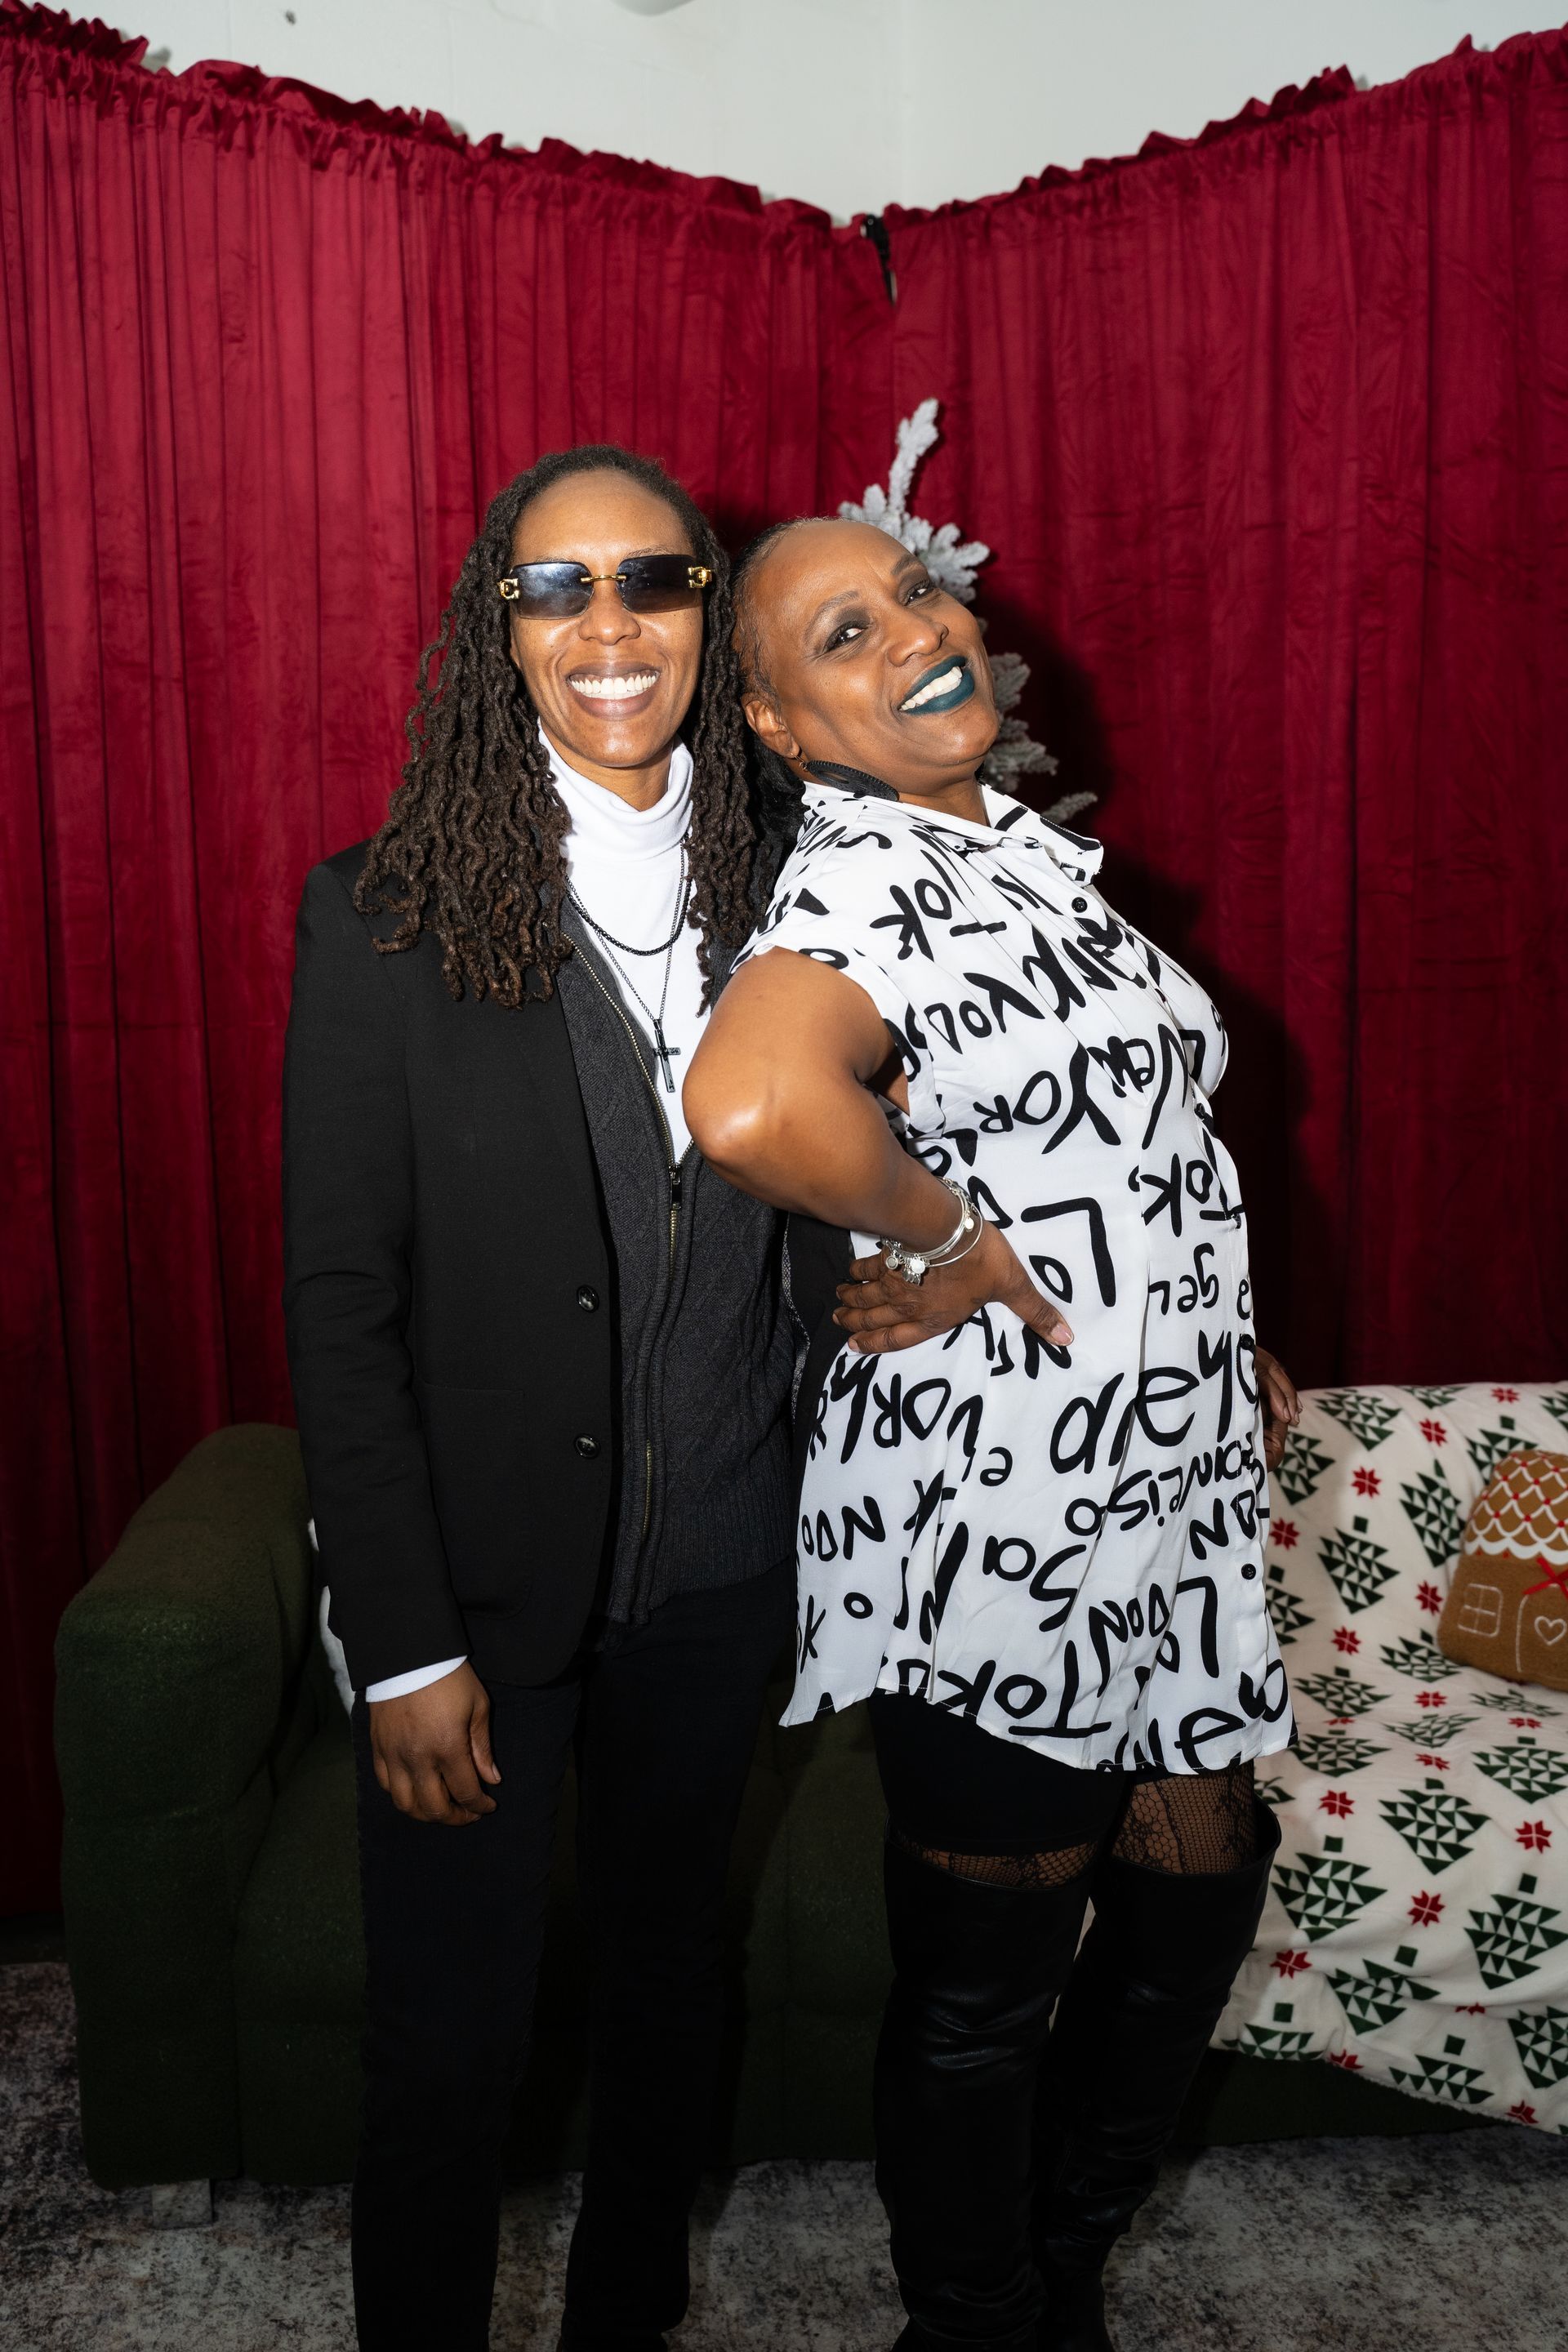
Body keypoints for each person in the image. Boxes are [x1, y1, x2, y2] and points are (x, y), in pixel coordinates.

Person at [283, 448, 893, 2352]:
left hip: (717, 1576)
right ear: (503, 629)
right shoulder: (380, 915)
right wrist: (398, 1648)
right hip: (474, 1602)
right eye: (560, 590)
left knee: (665, 2010)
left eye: (655, 582)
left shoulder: (822, 882)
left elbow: (941, 1145)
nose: (611, 628)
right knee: (449, 2053)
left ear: (713, 613)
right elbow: (340, 1304)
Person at [683, 514, 1302, 2352]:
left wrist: (1217, 1334)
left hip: (1163, 1480)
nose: (919, 638)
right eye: (846, 635)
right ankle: (975, 2319)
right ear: (787, 727)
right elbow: (750, 1101)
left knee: (1199, 1887)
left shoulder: (1011, 857)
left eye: (919, 597)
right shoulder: (866, 881)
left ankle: (1061, 2272)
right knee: (987, 1993)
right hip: (1002, 1510)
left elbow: (1118, 1144)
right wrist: (945, 1234)